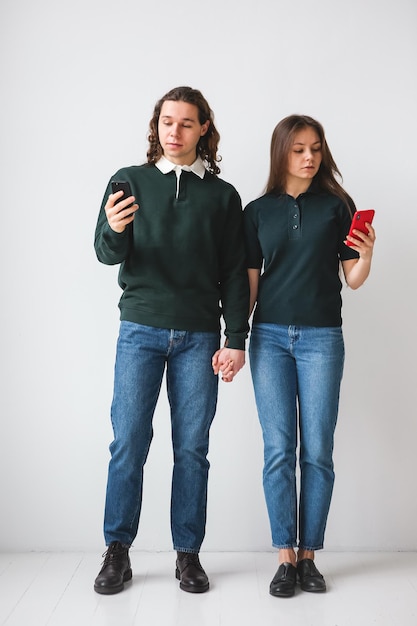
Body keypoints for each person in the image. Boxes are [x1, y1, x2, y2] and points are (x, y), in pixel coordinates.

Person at [93, 86, 249, 595]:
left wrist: (235, 338)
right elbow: (105, 251)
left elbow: (232, 273)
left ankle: (188, 554)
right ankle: (117, 550)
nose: (174, 132)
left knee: (192, 449)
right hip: (140, 328)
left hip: (200, 336)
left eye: (186, 123)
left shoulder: (223, 197)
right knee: (129, 443)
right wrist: (115, 230)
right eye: (166, 122)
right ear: (155, 126)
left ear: (204, 127)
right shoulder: (128, 180)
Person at [243, 115, 375, 597]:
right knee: (279, 450)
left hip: (322, 339)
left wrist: (366, 255)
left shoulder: (337, 207)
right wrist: (234, 338)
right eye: (299, 148)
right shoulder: (256, 211)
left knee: (317, 452)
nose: (309, 157)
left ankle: (309, 557)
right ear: (281, 152)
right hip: (270, 340)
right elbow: (251, 286)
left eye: (316, 148)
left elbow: (352, 279)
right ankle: (283, 556)